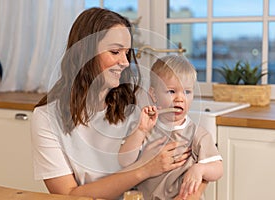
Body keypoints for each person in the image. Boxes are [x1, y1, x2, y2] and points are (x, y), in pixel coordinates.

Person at [31, 8, 195, 200]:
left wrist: (193, 190)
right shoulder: (47, 117)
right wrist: (144, 170)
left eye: (126, 53)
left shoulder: (140, 100)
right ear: (85, 53)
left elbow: (192, 155)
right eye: (116, 52)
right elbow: (67, 195)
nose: (125, 62)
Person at [119, 55, 223, 200]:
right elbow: (124, 161)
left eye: (187, 92)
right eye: (172, 91)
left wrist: (200, 169)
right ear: (154, 94)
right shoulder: (145, 128)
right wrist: (141, 131)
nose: (180, 98)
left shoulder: (198, 134)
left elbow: (218, 168)